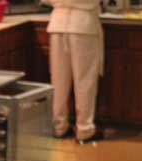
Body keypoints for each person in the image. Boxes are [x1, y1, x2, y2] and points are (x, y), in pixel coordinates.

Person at [42, 0, 103, 144]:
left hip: (58, 23)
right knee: (85, 81)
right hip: (83, 23)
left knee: (58, 81)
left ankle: (59, 126)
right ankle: (84, 129)